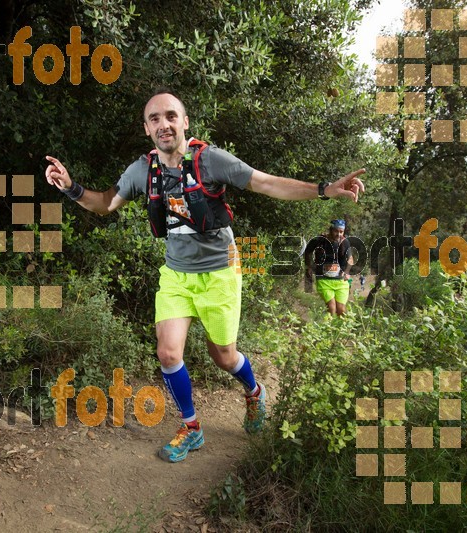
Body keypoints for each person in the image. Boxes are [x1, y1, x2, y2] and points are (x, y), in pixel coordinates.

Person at [45, 89, 365, 462]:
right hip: (177, 275)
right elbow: (103, 203)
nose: (163, 124)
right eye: (154, 119)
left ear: (184, 122)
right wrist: (70, 187)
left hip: (220, 274)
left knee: (224, 357)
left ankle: (254, 391)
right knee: (168, 353)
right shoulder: (141, 171)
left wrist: (324, 190)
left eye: (170, 116)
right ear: (147, 129)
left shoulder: (210, 160)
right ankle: (191, 428)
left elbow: (265, 183)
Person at [305, 220, 353, 317]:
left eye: (341, 232)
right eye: (336, 231)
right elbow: (308, 252)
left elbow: (350, 259)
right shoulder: (320, 240)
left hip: (341, 280)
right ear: (331, 230)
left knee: (341, 310)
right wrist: (309, 266)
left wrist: (347, 272)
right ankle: (327, 329)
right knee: (331, 308)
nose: (338, 234)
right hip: (324, 279)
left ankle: (340, 330)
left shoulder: (345, 242)